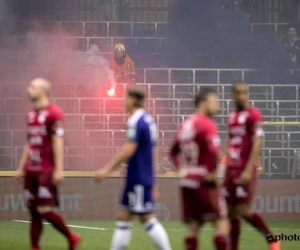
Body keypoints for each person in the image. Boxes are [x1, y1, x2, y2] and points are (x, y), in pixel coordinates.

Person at [95, 86, 172, 250]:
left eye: (125, 98)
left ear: (132, 99)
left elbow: (128, 149)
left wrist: (106, 169)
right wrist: (153, 180)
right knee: (123, 216)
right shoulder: (148, 121)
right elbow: (153, 152)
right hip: (140, 177)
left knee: (147, 218)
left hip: (138, 177)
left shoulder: (136, 121)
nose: (123, 101)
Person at [13, 78, 81, 250]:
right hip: (31, 170)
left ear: (42, 91)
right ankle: (35, 247)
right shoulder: (30, 115)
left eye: (32, 87)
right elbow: (29, 143)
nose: (28, 89)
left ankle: (71, 237)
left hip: (45, 170)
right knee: (34, 212)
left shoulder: (54, 113)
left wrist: (59, 169)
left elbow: (58, 140)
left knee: (44, 209)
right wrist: (21, 167)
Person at [170, 88, 229, 250]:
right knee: (222, 221)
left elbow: (173, 151)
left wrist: (181, 168)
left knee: (194, 225)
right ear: (203, 103)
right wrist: (213, 173)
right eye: (214, 102)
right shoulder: (207, 124)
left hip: (187, 180)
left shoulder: (185, 124)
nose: (217, 105)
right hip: (203, 180)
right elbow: (212, 151)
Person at [224, 81, 280, 250]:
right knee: (231, 212)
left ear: (247, 95)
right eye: (238, 93)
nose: (241, 96)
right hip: (231, 169)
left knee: (244, 210)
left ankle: (272, 238)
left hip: (245, 169)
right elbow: (233, 142)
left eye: (244, 93)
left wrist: (249, 168)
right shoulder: (232, 117)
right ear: (233, 95)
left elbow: (257, 141)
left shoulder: (254, 115)